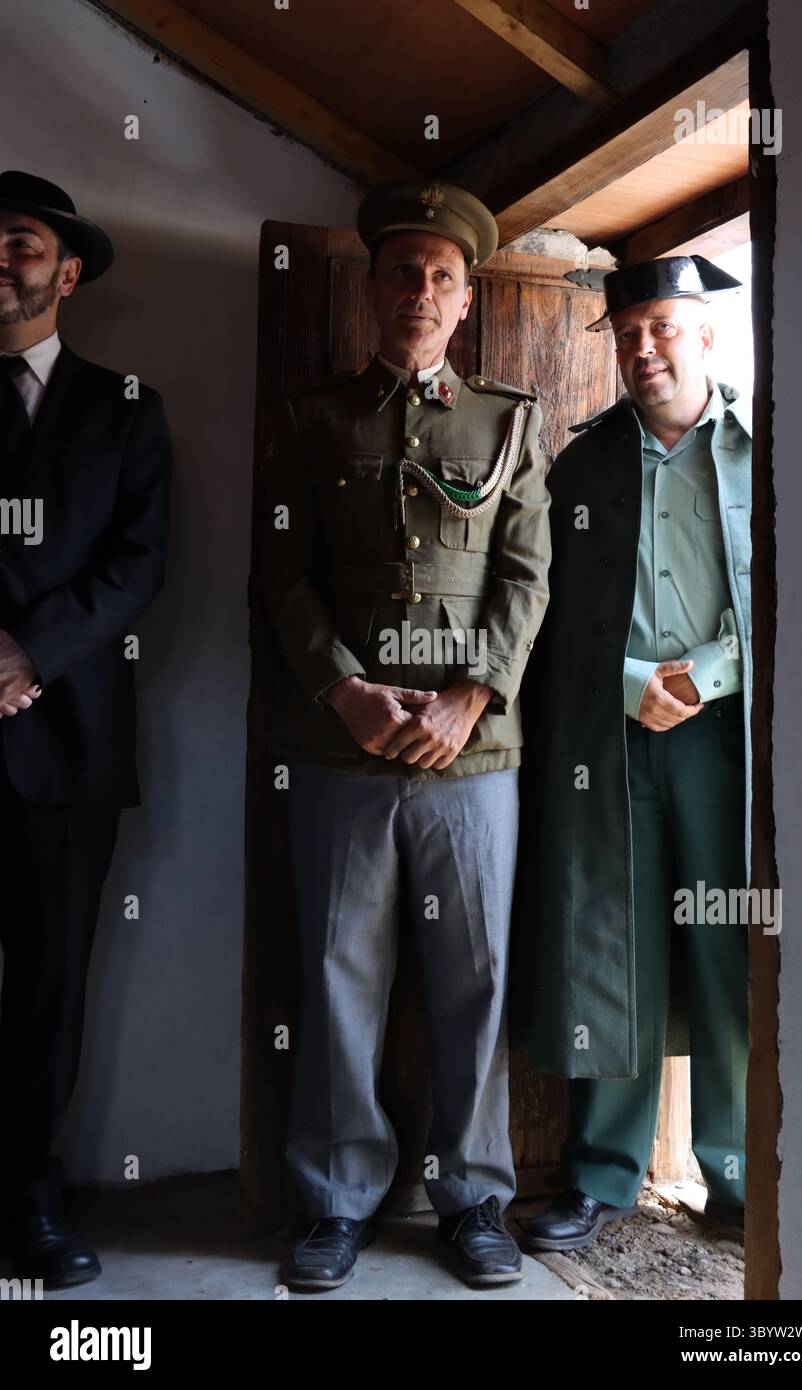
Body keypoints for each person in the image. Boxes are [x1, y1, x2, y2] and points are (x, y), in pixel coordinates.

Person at [264, 180, 551, 1290]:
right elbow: (284, 575)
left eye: (440, 275)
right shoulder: (309, 418)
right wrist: (344, 691)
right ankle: (336, 1197)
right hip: (343, 747)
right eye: (401, 271)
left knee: (473, 979)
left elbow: (524, 577)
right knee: (339, 973)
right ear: (372, 289)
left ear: (465, 298)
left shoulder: (507, 420)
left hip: (471, 754)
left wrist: (468, 699)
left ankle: (473, 1198)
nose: (419, 291)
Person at [509, 254, 752, 1249]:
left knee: (729, 947)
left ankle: (739, 1178)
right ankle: (600, 1174)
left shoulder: (765, 454)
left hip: (726, 744)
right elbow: (548, 613)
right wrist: (629, 684)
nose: (642, 349)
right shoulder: (581, 466)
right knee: (613, 942)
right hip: (608, 744)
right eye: (626, 334)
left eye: (661, 328)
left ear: (705, 335)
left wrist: (708, 674)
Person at [0, 171, 171, 1286]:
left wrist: (27, 653)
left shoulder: (126, 407)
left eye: (18, 242)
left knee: (49, 987)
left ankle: (26, 1201)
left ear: (66, 272)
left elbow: (139, 564)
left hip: (68, 741)